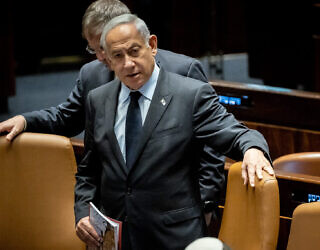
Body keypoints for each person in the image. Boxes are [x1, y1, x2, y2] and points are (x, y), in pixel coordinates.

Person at [0, 0, 224, 224]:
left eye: (102, 48)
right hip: (118, 212)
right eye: (93, 49)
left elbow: (211, 143)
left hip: (176, 211)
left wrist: (205, 203)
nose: (99, 57)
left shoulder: (183, 70)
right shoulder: (92, 74)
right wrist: (25, 120)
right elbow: (66, 118)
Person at [74, 13, 274, 250]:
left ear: (152, 46)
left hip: (174, 238)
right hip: (117, 240)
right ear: (107, 59)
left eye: (134, 51)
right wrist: (82, 212)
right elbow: (88, 171)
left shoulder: (190, 95)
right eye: (118, 56)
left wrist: (252, 148)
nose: (128, 63)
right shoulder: (98, 99)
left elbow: (237, 134)